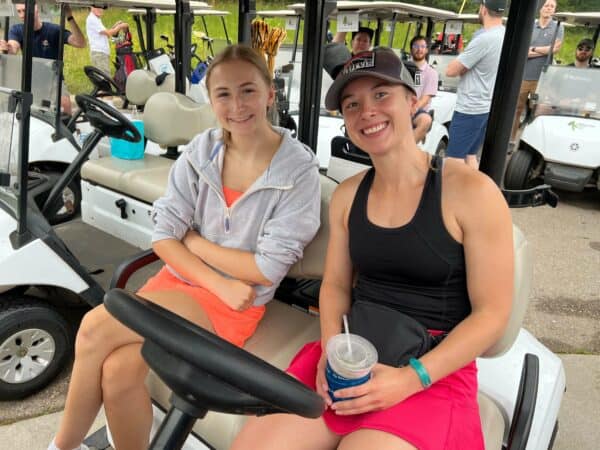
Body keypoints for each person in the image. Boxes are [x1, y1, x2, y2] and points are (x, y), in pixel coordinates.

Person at [231, 46, 513, 450]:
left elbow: (492, 316)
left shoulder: (470, 191)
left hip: (433, 370)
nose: (367, 112)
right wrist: (331, 348)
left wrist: (411, 377)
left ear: (411, 100)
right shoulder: (349, 195)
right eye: (352, 104)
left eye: (381, 95)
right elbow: (335, 288)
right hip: (354, 351)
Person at [47, 44, 321, 450]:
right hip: (190, 283)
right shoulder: (201, 151)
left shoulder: (297, 170)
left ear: (269, 93)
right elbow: (163, 235)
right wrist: (216, 276)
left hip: (234, 305)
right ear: (210, 100)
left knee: (92, 329)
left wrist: (191, 240)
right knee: (118, 372)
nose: (237, 105)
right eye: (223, 94)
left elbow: (264, 270)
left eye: (248, 90)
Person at [445, 0, 506, 169]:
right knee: (470, 156)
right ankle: (473, 194)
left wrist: (463, 64)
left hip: (469, 108)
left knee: (453, 160)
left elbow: (451, 70)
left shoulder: (484, 39)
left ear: (484, 9)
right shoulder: (503, 34)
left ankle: (453, 194)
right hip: (485, 106)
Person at [0, 3, 85, 115]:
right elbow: (13, 48)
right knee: (32, 112)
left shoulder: (53, 30)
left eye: (24, 10)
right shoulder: (17, 30)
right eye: (19, 11)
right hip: (32, 79)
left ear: (36, 8)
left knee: (65, 105)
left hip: (53, 78)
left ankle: (65, 128)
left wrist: (69, 17)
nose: (21, 15)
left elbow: (80, 43)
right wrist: (7, 47)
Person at [510, 0, 563, 142]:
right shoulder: (531, 25)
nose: (549, 8)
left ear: (554, 11)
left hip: (543, 79)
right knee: (516, 109)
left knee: (537, 111)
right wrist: (545, 51)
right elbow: (522, 49)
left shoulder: (558, 27)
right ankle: (511, 140)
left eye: (552, 6)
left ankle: (530, 142)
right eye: (547, 5)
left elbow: (555, 49)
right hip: (524, 75)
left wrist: (532, 49)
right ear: (541, 9)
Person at [409, 35, 438, 143]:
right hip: (401, 105)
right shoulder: (403, 67)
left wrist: (412, 109)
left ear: (426, 50)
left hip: (417, 110)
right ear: (411, 49)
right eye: (416, 46)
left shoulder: (431, 73)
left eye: (422, 46)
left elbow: (425, 98)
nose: (419, 49)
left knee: (425, 120)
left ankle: (408, 147)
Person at [86, 6, 129, 75]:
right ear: (91, 7)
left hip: (101, 53)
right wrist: (120, 26)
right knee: (104, 78)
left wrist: (116, 26)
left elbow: (107, 34)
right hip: (99, 53)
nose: (100, 9)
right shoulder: (92, 19)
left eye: (102, 8)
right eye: (97, 7)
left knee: (103, 78)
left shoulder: (96, 19)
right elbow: (109, 33)